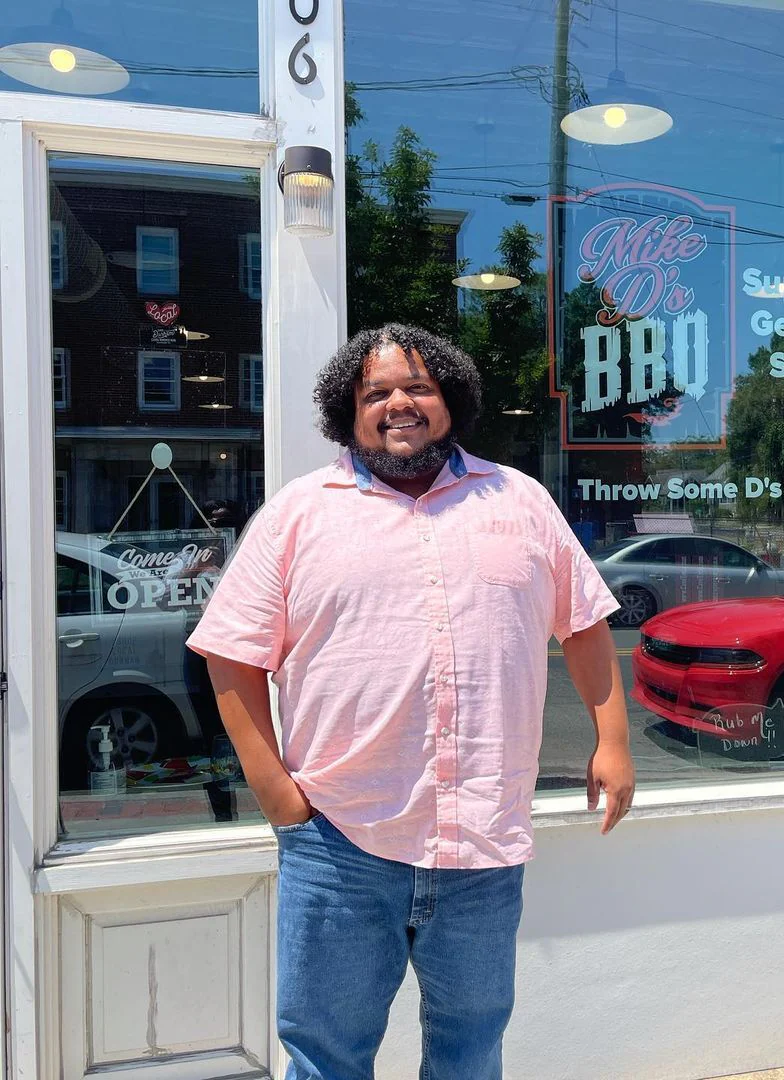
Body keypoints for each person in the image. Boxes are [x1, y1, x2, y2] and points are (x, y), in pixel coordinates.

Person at [186, 323, 635, 1080]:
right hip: (337, 841)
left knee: (470, 1052)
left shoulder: (518, 500)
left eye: (418, 387)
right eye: (377, 392)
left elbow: (584, 624)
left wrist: (613, 740)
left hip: (482, 841)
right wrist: (277, 795)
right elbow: (231, 655)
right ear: (347, 411)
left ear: (450, 397)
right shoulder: (299, 513)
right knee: (327, 1057)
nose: (400, 403)